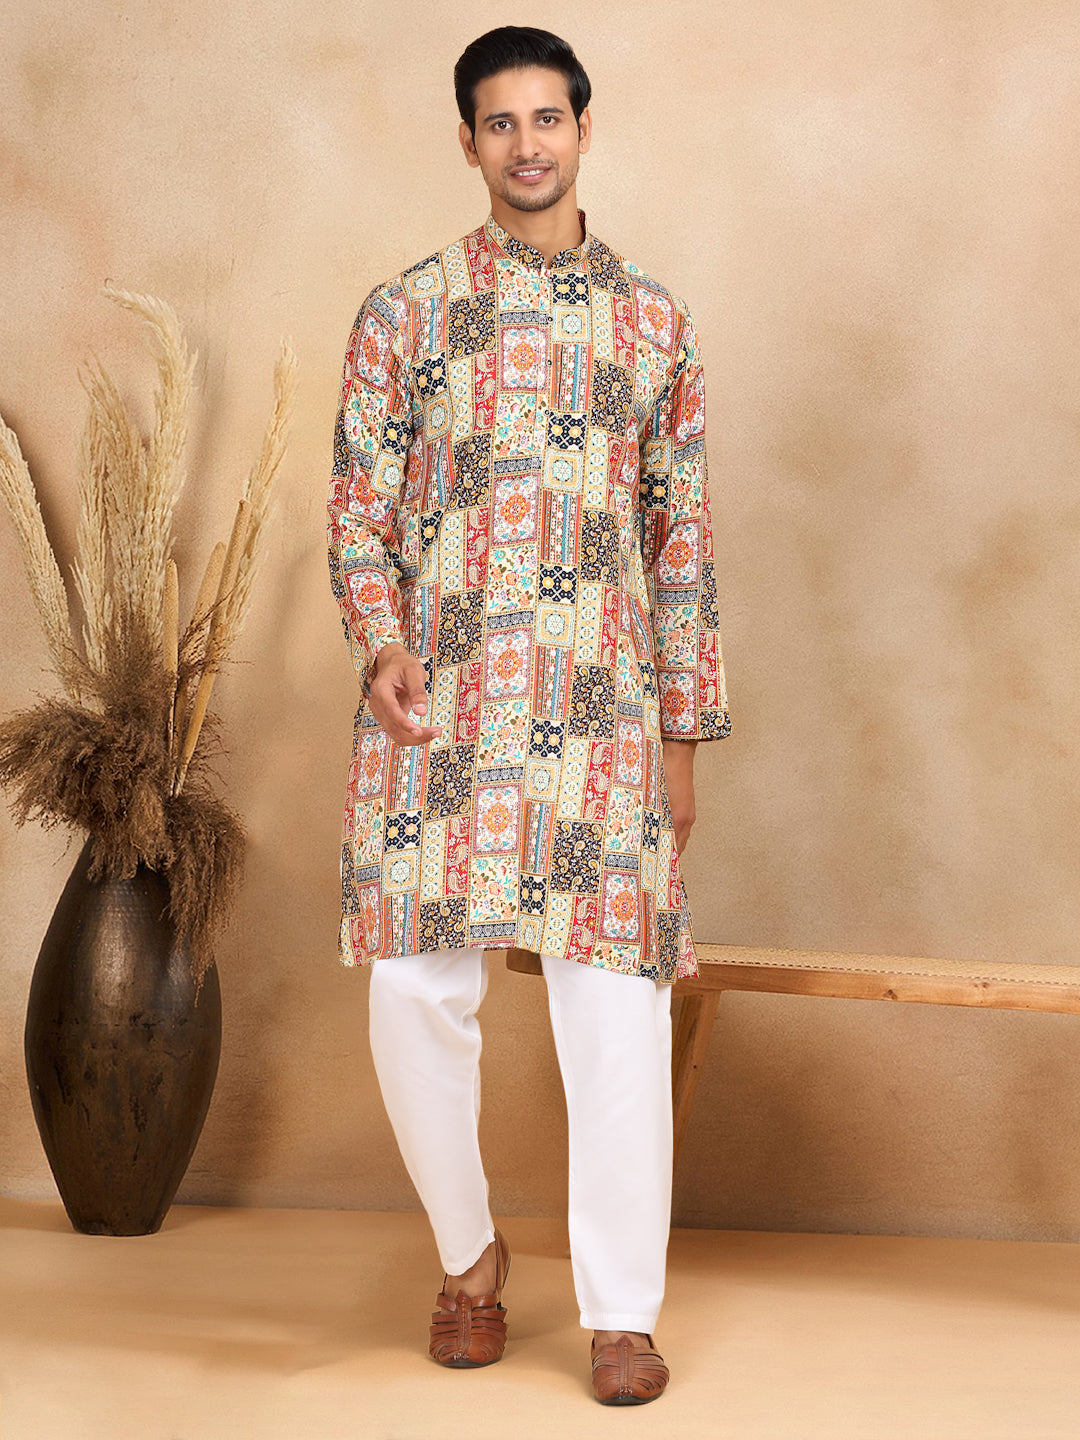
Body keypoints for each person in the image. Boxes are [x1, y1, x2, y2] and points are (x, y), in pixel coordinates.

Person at [327, 24, 730, 1406]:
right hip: (440, 712)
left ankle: (622, 1314)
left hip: (604, 717)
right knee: (408, 989)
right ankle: (469, 1259)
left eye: (547, 118)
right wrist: (382, 639)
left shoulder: (655, 322)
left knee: (613, 1008)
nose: (527, 144)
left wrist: (680, 744)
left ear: (584, 128)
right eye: (499, 123)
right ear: (467, 142)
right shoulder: (405, 313)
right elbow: (357, 508)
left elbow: (682, 548)